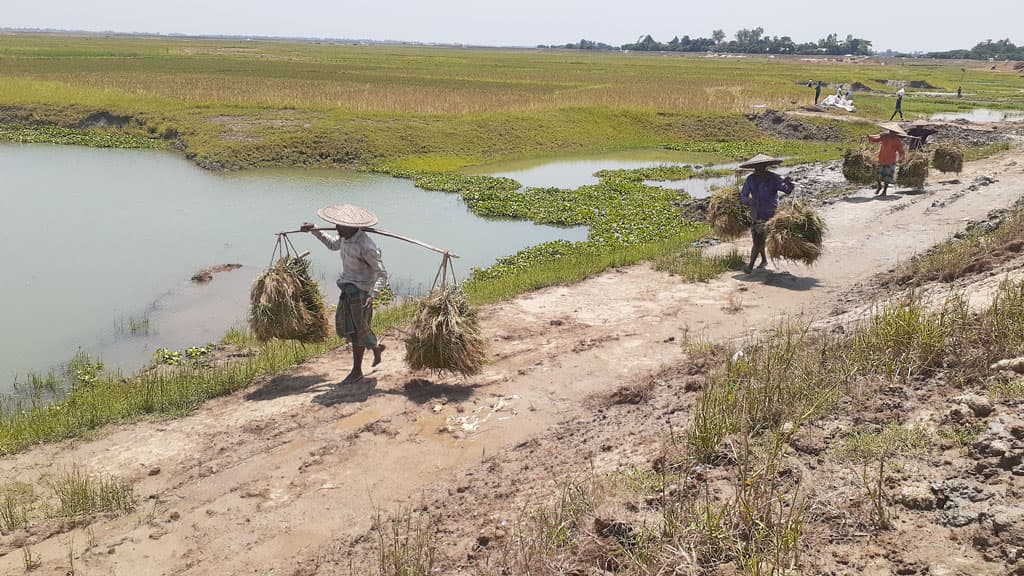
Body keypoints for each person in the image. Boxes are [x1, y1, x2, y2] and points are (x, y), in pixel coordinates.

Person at [300, 204, 388, 384]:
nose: (336, 228)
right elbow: (332, 244)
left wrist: (374, 293)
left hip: (362, 293)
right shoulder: (345, 238)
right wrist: (314, 230)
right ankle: (376, 347)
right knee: (345, 327)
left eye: (340, 225)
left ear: (354, 226)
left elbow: (382, 273)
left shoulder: (367, 246)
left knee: (358, 332)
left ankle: (357, 371)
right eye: (336, 224)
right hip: (347, 288)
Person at [738, 154, 794, 273]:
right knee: (757, 240)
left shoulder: (773, 178)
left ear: (766, 167)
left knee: (759, 240)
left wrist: (789, 183)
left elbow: (787, 190)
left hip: (771, 213)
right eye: (757, 168)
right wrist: (750, 201)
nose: (759, 170)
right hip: (756, 213)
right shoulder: (750, 179)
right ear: (754, 168)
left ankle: (750, 266)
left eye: (761, 167)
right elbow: (743, 196)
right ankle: (762, 261)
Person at [867, 122, 907, 197]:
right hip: (881, 159)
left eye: (893, 132)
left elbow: (901, 151)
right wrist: (870, 137)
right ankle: (879, 186)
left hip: (891, 161)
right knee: (877, 174)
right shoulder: (884, 136)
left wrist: (901, 157)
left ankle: (884, 191)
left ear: (895, 133)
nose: (891, 133)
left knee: (887, 177)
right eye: (890, 131)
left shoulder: (897, 140)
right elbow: (876, 139)